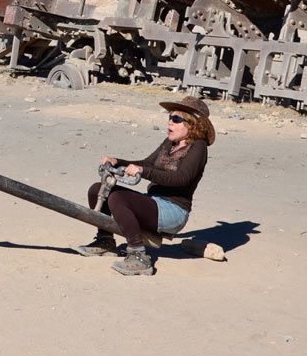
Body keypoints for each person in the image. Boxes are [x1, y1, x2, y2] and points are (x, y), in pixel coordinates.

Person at [76, 95, 216, 276]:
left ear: (192, 125)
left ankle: (139, 256)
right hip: (154, 202)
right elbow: (147, 163)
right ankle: (105, 240)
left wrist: (143, 171)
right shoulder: (169, 143)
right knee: (97, 189)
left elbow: (182, 179)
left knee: (119, 198)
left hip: (173, 210)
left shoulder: (198, 147)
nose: (169, 123)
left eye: (176, 119)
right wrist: (118, 162)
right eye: (169, 117)